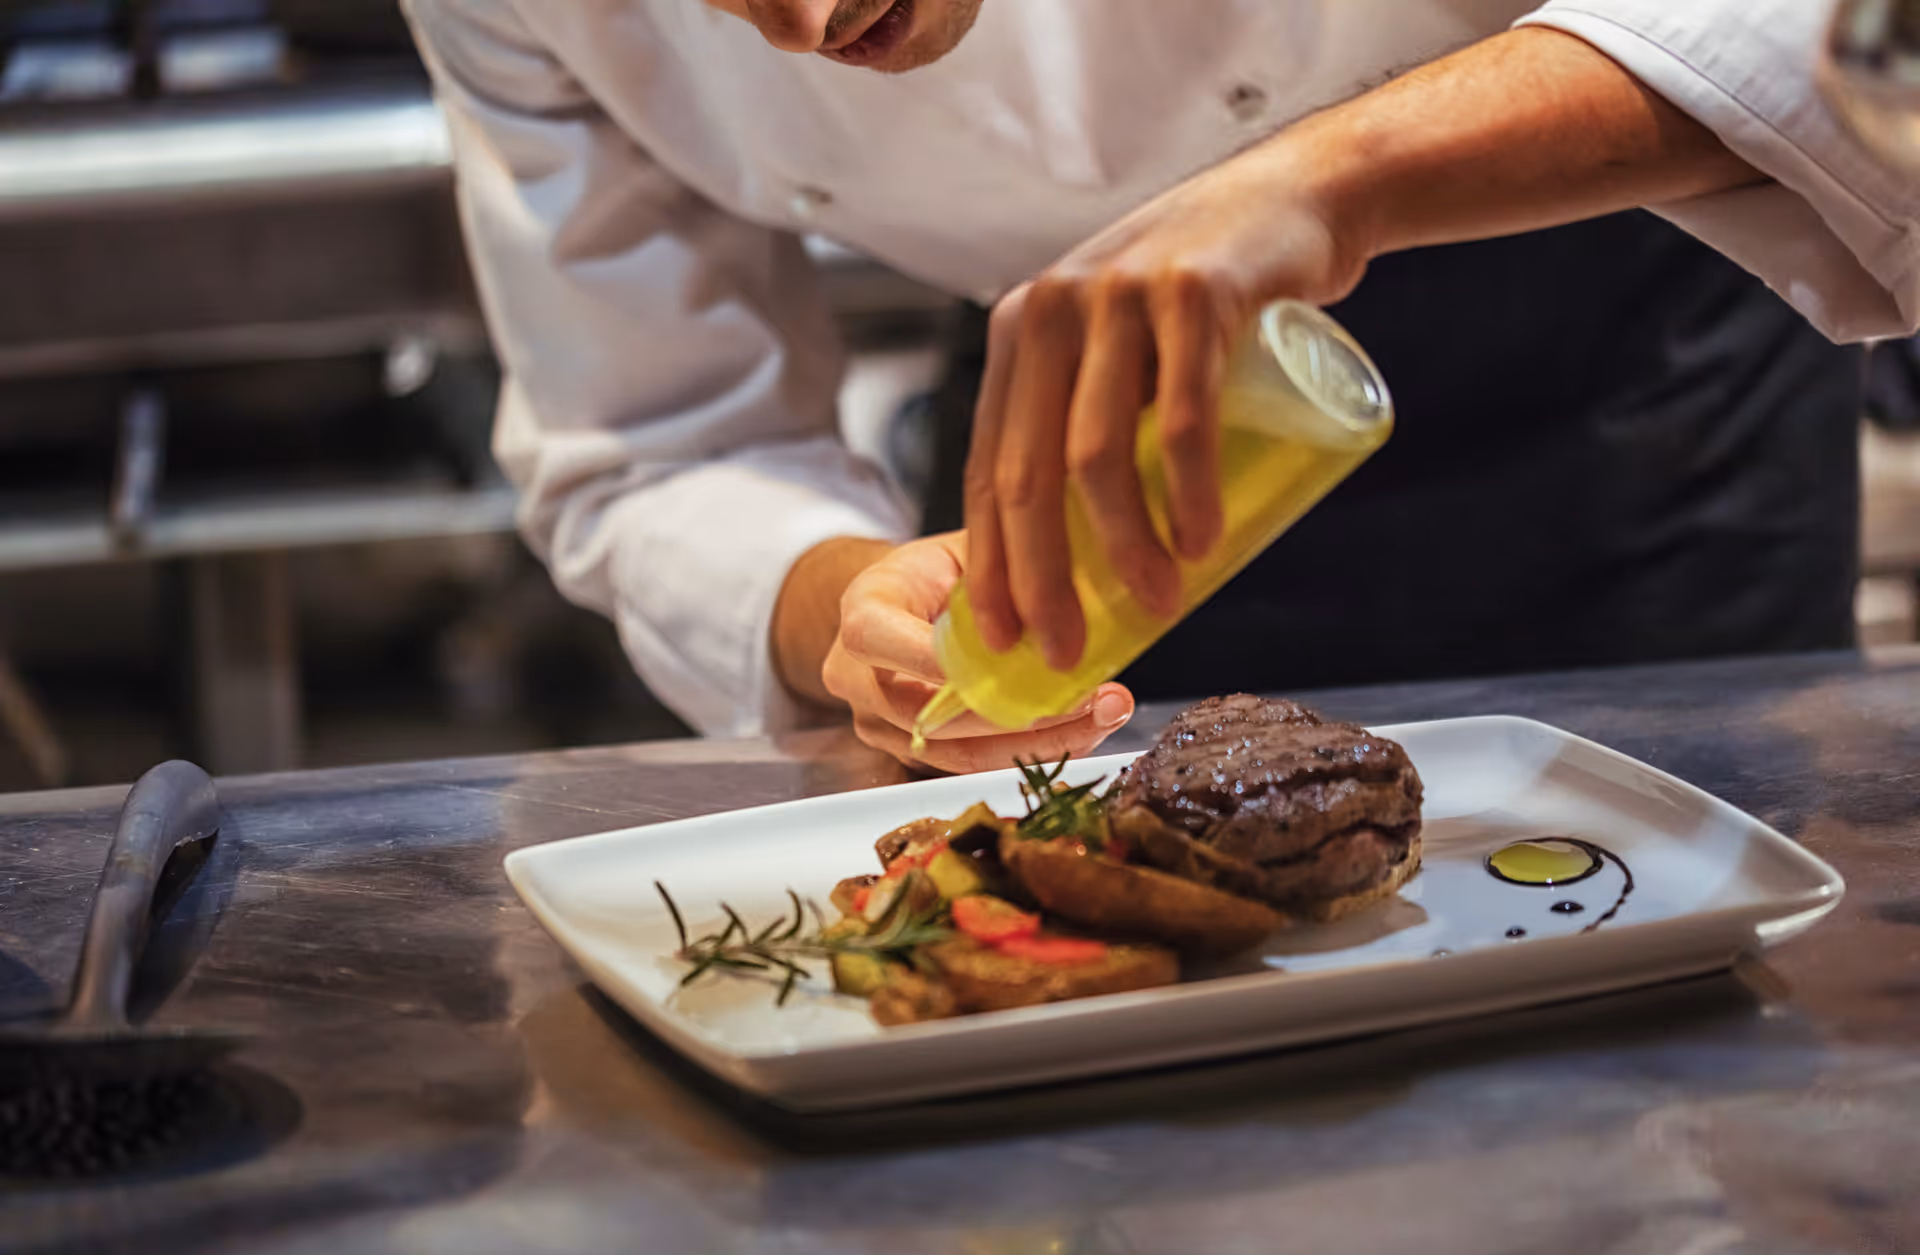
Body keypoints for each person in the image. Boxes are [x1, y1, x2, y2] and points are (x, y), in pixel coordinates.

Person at [402, 0, 1918, 773]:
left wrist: (1340, 175)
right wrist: (845, 604)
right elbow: (652, 438)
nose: (796, 26)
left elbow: (1830, 27)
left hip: (1624, 425)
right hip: (1078, 458)